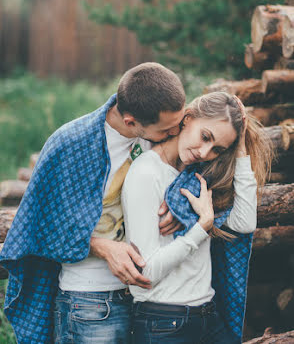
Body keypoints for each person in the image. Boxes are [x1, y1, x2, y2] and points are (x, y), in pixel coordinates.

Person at [0, 62, 186, 344]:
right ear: (131, 122)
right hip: (91, 302)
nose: (176, 134)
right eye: (167, 130)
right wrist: (102, 246)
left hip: (152, 300)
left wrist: (176, 203)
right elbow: (39, 225)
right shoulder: (70, 144)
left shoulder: (165, 133)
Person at [121, 92, 273, 344]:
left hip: (207, 317)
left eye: (217, 149)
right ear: (187, 118)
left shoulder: (199, 178)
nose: (204, 152)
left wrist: (241, 148)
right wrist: (201, 227)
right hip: (163, 323)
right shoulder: (147, 172)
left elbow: (245, 223)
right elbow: (145, 272)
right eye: (205, 137)